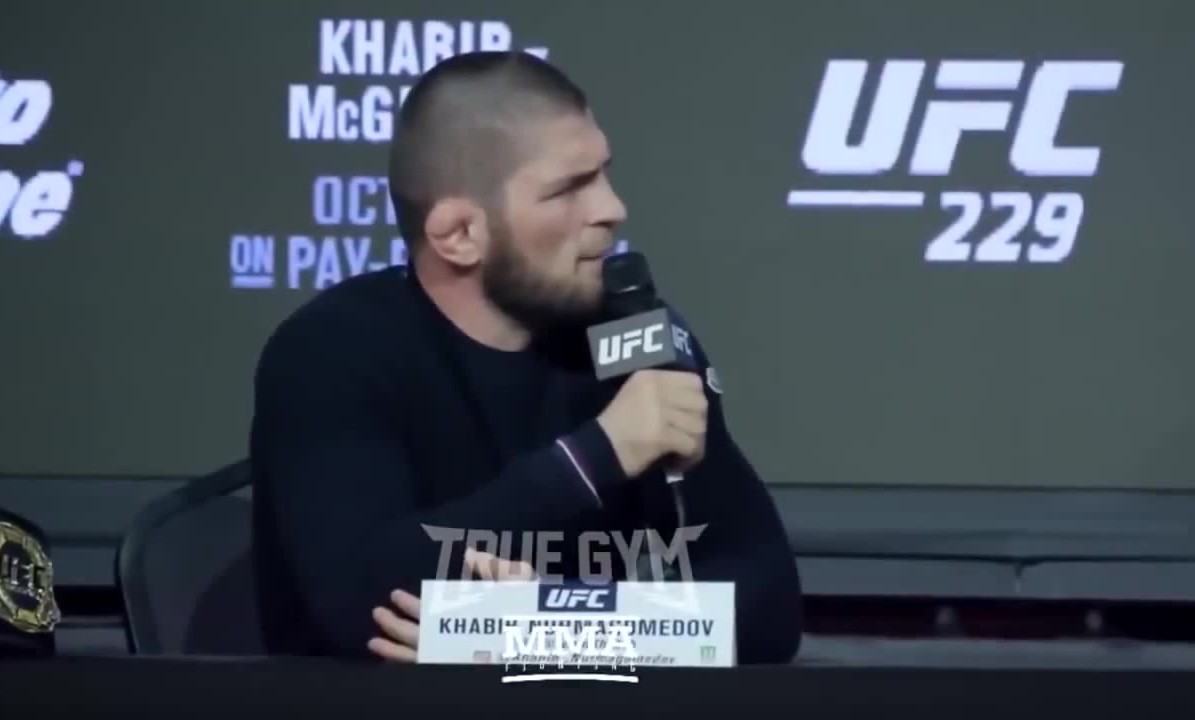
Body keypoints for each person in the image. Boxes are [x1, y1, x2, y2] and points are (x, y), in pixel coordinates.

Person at [250, 51, 802, 664]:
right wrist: (596, 456)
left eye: (603, 174)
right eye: (568, 189)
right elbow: (359, 606)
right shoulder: (334, 351)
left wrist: (547, 632)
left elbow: (769, 606)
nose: (611, 209)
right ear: (459, 235)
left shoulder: (633, 337)